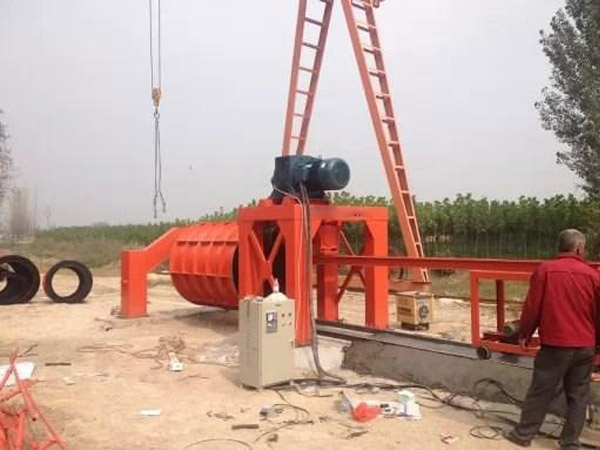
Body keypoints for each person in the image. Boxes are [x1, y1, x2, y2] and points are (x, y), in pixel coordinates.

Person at [506, 229, 600, 449]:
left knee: (541, 391)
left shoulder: (545, 270)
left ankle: (523, 435)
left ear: (559, 246)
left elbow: (533, 307)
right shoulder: (593, 276)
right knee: (578, 396)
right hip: (584, 346)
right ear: (580, 248)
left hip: (555, 345)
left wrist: (525, 333)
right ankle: (569, 443)